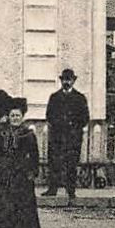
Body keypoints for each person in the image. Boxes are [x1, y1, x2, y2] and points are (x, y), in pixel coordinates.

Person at [0, 99, 43, 228]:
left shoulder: (28, 134)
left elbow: (34, 155)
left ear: (22, 117)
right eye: (12, 115)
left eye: (18, 116)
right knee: (2, 202)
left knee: (22, 203)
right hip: (5, 170)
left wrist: (33, 171)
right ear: (8, 117)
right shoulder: (3, 133)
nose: (15, 118)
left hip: (21, 171)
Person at [45, 68, 91, 204]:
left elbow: (85, 118)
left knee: (71, 164)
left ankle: (71, 191)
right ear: (61, 80)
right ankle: (52, 189)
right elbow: (49, 115)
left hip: (73, 137)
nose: (66, 82)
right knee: (54, 163)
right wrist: (58, 124)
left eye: (69, 80)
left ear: (73, 81)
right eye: (64, 79)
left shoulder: (80, 98)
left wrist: (73, 127)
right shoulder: (54, 98)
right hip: (57, 136)